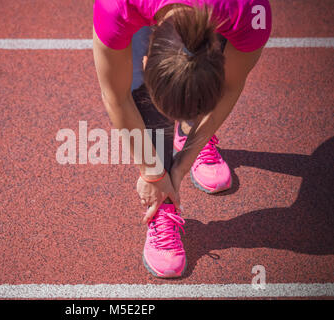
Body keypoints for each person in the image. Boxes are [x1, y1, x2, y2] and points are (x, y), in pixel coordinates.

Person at [92, 0, 272, 278]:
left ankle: (188, 133)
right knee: (139, 92)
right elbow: (116, 96)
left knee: (184, 82)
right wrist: (153, 172)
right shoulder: (115, 7)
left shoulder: (248, 13)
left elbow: (231, 86)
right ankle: (163, 203)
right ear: (145, 59)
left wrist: (182, 164)